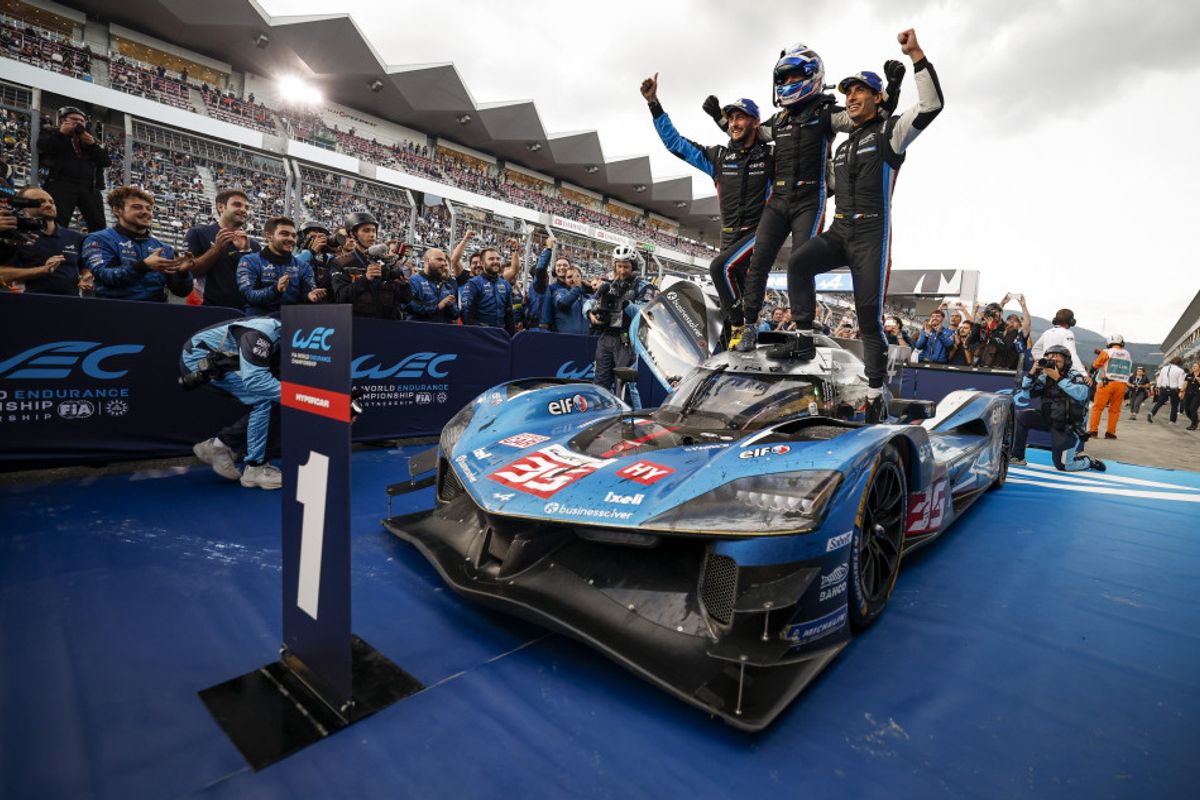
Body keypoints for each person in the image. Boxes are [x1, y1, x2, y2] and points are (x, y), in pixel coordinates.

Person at [777, 29, 943, 424]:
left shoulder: (891, 134)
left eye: (859, 91)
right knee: (798, 263)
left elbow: (933, 104)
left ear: (877, 97)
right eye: (847, 91)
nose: (850, 97)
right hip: (839, 232)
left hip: (871, 236)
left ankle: (874, 391)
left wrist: (916, 55)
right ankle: (803, 334)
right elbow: (824, 188)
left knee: (869, 318)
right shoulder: (845, 143)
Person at [712, 47, 905, 352]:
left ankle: (803, 334)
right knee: (758, 262)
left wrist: (892, 91)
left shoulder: (827, 114)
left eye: (794, 75)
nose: (788, 81)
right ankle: (748, 326)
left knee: (801, 260)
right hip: (778, 199)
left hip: (809, 200)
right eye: (784, 76)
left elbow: (868, 118)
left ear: (811, 76)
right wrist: (722, 121)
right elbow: (748, 134)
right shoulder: (778, 121)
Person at [642, 74, 771, 339]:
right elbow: (675, 144)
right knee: (730, 303)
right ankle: (736, 340)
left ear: (755, 122)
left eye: (741, 118)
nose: (735, 123)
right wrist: (654, 103)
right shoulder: (718, 158)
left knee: (722, 270)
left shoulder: (771, 157)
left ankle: (742, 329)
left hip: (759, 235)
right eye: (731, 118)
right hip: (730, 236)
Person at [181, 317, 283, 490]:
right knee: (265, 399)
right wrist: (301, 397)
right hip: (199, 360)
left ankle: (218, 446)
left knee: (274, 397)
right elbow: (256, 381)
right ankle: (256, 469)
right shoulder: (261, 335)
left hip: (223, 357)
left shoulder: (280, 333)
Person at [83, 186, 194, 301]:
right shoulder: (98, 240)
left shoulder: (164, 248)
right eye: (137, 207)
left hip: (155, 314)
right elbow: (106, 276)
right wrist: (144, 266)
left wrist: (183, 274)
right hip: (113, 312)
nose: (146, 212)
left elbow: (182, 292)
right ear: (117, 210)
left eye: (149, 208)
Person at [1009, 345, 1105, 473]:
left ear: (1067, 360)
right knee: (1021, 416)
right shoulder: (1045, 376)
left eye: (1057, 357)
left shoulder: (1075, 375)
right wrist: (1032, 373)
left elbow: (1081, 394)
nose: (1053, 358)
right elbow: (1026, 394)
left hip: (1068, 425)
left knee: (1064, 465)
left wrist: (1057, 378)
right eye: (1050, 356)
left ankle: (1087, 461)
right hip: (1048, 417)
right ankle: (1017, 456)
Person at [590, 245, 654, 406]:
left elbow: (644, 314)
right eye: (619, 266)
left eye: (626, 266)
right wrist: (590, 314)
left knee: (627, 386)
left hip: (627, 341)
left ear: (633, 266)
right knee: (600, 384)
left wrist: (625, 303)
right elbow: (590, 301)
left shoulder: (644, 286)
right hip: (606, 337)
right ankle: (601, 417)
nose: (622, 271)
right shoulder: (608, 284)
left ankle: (633, 420)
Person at [0, 186, 90, 295]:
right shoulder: (15, 236)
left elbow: (85, 268)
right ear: (23, 207)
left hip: (71, 304)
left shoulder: (75, 237)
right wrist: (43, 270)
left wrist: (86, 277)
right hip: (28, 305)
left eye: (51, 202)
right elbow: (2, 274)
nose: (48, 205)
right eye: (40, 202)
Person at [35, 106, 110, 231]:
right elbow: (44, 148)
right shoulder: (52, 133)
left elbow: (106, 162)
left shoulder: (90, 139)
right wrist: (61, 134)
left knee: (98, 224)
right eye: (74, 119)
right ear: (63, 120)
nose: (79, 122)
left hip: (89, 186)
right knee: (57, 221)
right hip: (60, 182)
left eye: (82, 121)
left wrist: (92, 146)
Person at [185, 188, 258, 309]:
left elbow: (255, 284)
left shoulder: (253, 245)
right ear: (220, 207)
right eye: (237, 204)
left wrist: (246, 253)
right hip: (207, 310)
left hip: (243, 315)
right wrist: (217, 248)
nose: (243, 210)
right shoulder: (198, 233)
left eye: (246, 207)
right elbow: (190, 272)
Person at [235, 216, 324, 315]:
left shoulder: (303, 266)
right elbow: (249, 295)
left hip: (292, 322)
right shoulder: (250, 261)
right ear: (269, 236)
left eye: (293, 236)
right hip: (258, 322)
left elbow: (309, 292)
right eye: (284, 234)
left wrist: (310, 296)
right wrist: (275, 289)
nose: (290, 239)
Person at [330, 211, 411, 318]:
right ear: (352, 234)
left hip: (387, 326)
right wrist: (365, 279)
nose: (372, 235)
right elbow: (340, 298)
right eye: (366, 230)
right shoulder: (341, 262)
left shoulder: (386, 263)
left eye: (374, 231)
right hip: (356, 324)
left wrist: (404, 285)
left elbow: (405, 300)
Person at [1087, 333, 1133, 439]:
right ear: (1121, 342)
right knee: (1115, 410)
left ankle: (1093, 431)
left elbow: (1096, 364)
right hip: (1121, 384)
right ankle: (1110, 433)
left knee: (1098, 408)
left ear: (1109, 342)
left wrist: (1091, 372)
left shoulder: (1107, 352)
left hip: (1106, 383)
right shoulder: (1127, 354)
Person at [460, 246, 515, 333]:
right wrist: (472, 334)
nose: (496, 261)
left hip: (500, 335)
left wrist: (510, 337)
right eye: (491, 259)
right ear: (482, 263)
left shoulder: (505, 285)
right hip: (480, 335)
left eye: (498, 259)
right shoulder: (474, 284)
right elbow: (467, 313)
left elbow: (509, 314)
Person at [406, 247, 459, 323]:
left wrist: (450, 307)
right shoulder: (413, 281)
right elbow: (408, 306)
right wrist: (437, 307)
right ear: (427, 260)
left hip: (441, 332)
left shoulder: (447, 286)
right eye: (439, 259)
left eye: (444, 261)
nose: (443, 263)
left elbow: (454, 315)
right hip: (417, 330)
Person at [1030, 308, 1085, 372]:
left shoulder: (1047, 332)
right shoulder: (1068, 334)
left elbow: (1035, 350)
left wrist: (1045, 361)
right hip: (1060, 373)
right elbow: (1072, 354)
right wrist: (1082, 372)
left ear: (1055, 320)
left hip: (1046, 371)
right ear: (1072, 322)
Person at [542, 263, 589, 334]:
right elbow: (562, 304)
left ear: (581, 278)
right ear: (565, 280)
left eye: (577, 276)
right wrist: (577, 288)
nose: (573, 279)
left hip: (586, 341)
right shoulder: (560, 292)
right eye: (569, 277)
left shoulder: (587, 297)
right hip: (564, 340)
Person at [1148, 357, 1187, 424]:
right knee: (1174, 405)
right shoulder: (1180, 371)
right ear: (1179, 363)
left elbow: (1160, 378)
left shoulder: (1164, 368)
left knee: (1159, 402)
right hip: (1174, 389)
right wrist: (1181, 391)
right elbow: (1180, 382)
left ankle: (1151, 413)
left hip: (1164, 388)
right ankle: (1172, 420)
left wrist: (1158, 387)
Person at [1183, 363, 1200, 431]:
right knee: (1187, 410)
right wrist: (1181, 391)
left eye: (1195, 366)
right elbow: (1185, 384)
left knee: (1193, 409)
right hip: (1188, 394)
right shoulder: (1189, 375)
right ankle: (1196, 420)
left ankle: (1193, 425)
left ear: (1199, 367)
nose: (1193, 367)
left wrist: (1198, 380)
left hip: (1198, 394)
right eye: (1193, 366)